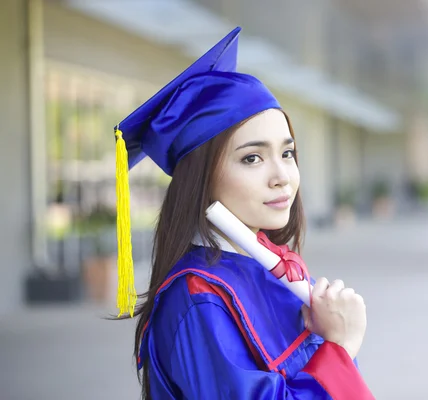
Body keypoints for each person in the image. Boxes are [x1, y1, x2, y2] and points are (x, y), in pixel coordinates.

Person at [113, 27, 374, 399]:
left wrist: (331, 340)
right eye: (252, 158)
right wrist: (340, 348)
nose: (282, 177)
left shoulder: (270, 267)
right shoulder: (198, 295)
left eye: (287, 153)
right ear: (201, 179)